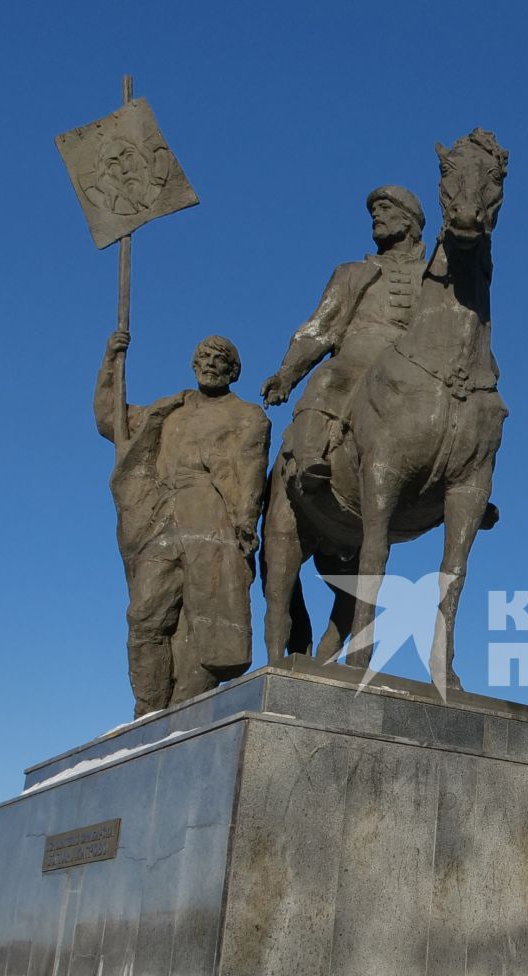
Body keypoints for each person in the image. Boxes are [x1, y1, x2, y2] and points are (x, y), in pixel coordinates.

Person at [94, 330, 270, 716]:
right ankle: (148, 711)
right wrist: (111, 360)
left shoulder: (247, 417)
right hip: (160, 519)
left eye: (219, 360)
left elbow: (251, 471)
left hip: (211, 518)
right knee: (143, 615)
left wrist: (245, 521)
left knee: (203, 625)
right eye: (204, 357)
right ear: (193, 365)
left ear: (233, 371)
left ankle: (182, 710)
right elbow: (110, 419)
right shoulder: (168, 410)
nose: (210, 364)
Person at [260, 184, 426, 483]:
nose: (376, 215)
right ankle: (310, 457)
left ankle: (467, 478)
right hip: (360, 353)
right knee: (327, 378)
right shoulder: (351, 272)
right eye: (374, 211)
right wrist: (286, 375)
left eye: (386, 209)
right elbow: (319, 329)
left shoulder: (436, 275)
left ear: (408, 221)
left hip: (418, 357)